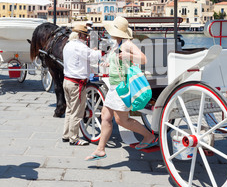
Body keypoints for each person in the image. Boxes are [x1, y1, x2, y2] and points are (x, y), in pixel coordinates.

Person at [85, 17, 157, 161]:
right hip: (113, 87)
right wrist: (107, 64)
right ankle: (100, 149)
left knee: (121, 120)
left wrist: (128, 55)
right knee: (105, 116)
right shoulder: (116, 44)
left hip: (122, 87)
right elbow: (117, 62)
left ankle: (149, 136)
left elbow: (144, 59)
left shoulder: (128, 44)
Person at [63, 24, 102, 146]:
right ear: (79, 35)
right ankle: (74, 138)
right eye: (85, 36)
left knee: (69, 109)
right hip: (76, 84)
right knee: (77, 112)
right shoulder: (79, 46)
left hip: (67, 81)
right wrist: (102, 52)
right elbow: (93, 57)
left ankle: (66, 134)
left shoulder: (68, 45)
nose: (86, 38)